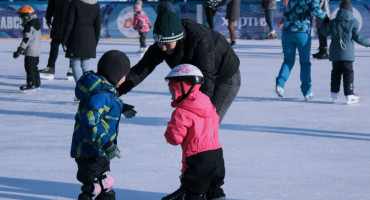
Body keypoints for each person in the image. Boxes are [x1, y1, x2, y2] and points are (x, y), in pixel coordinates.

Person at [117, 2, 240, 123]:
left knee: (206, 126)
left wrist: (199, 111)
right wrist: (116, 92)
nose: (163, 48)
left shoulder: (200, 40)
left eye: (167, 45)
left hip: (225, 76)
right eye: (159, 43)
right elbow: (141, 70)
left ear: (178, 38)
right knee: (192, 124)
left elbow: (207, 78)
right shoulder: (162, 43)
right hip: (197, 80)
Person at [70, 50, 136, 200]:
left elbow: (105, 105)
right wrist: (106, 143)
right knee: (94, 188)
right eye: (124, 74)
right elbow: (90, 119)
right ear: (116, 75)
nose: (125, 78)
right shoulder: (101, 93)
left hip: (99, 150)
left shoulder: (104, 90)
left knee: (105, 183)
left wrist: (121, 107)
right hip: (90, 150)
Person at [162, 64, 226, 200]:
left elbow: (174, 139)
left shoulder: (181, 111)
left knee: (192, 193)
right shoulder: (208, 104)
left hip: (198, 160)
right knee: (214, 189)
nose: (172, 96)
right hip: (217, 157)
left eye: (173, 91)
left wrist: (170, 128)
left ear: (183, 86)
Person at [275, 0, 328, 100]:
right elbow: (316, 9)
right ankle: (307, 91)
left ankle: (280, 84)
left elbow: (286, 13)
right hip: (302, 33)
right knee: (305, 63)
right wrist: (326, 18)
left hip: (287, 33)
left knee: (288, 61)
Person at [320, 0, 370, 104]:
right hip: (347, 53)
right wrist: (368, 43)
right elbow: (358, 37)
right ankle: (349, 94)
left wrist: (325, 22)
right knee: (348, 73)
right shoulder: (353, 22)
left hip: (335, 53)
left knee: (335, 72)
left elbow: (324, 32)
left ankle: (334, 92)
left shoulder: (333, 22)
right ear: (350, 11)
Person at [62, 0, 101, 84]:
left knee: (75, 63)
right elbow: (98, 26)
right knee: (86, 64)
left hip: (76, 36)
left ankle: (81, 88)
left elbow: (69, 22)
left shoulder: (75, 3)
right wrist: (95, 41)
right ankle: (88, 87)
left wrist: (64, 39)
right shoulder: (96, 5)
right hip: (90, 37)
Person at [39, 0, 72, 80]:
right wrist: (48, 17)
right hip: (59, 23)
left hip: (69, 23)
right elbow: (51, 7)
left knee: (70, 45)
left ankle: (72, 68)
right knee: (55, 45)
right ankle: (51, 68)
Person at [13, 5, 41, 92]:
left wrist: (20, 50)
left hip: (30, 51)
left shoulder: (28, 26)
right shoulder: (36, 23)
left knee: (29, 68)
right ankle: (36, 83)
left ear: (26, 16)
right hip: (37, 51)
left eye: (21, 16)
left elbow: (26, 39)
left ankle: (30, 83)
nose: (21, 19)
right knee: (34, 67)